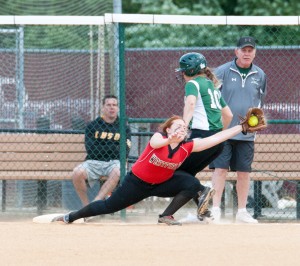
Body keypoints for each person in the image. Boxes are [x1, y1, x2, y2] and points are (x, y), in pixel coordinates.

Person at [52, 115, 255, 225]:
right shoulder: (158, 139)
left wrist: (241, 128)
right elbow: (158, 142)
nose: (181, 129)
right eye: (177, 126)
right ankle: (71, 216)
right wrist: (171, 138)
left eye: (184, 127)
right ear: (168, 129)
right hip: (137, 184)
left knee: (192, 184)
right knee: (107, 207)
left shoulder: (187, 147)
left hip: (162, 184)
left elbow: (215, 139)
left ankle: (165, 216)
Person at [210, 36, 267, 223]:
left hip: (246, 132)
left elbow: (259, 102)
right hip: (223, 130)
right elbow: (212, 99)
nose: (247, 53)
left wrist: (255, 124)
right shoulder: (223, 71)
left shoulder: (260, 74)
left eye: (250, 50)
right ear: (236, 51)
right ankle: (215, 209)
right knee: (220, 169)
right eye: (244, 50)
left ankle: (242, 211)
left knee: (244, 172)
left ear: (255, 53)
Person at [170, 52, 233, 219]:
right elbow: (228, 115)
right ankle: (204, 212)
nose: (182, 74)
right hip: (215, 141)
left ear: (190, 71)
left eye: (183, 70)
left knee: (177, 172)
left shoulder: (193, 84)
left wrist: (183, 126)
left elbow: (190, 104)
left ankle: (202, 194)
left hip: (200, 137)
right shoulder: (211, 85)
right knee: (186, 175)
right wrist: (218, 135)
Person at [72, 95, 132, 207]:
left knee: (118, 172)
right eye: (108, 105)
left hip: (114, 162)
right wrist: (114, 147)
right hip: (93, 161)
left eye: (114, 105)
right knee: (77, 173)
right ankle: (85, 207)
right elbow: (91, 151)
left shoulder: (124, 126)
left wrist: (102, 146)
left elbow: (125, 151)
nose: (112, 108)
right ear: (103, 108)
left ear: (118, 108)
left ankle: (95, 204)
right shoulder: (93, 126)